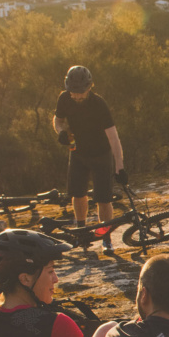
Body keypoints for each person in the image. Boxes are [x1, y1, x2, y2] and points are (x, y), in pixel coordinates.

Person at [53, 65, 126, 251]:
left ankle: (106, 237)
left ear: (89, 87)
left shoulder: (99, 104)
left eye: (80, 92)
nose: (76, 96)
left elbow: (113, 137)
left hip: (101, 154)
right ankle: (81, 232)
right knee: (78, 194)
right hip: (78, 152)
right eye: (73, 92)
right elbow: (57, 120)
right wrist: (60, 131)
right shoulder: (64, 98)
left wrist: (120, 167)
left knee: (104, 199)